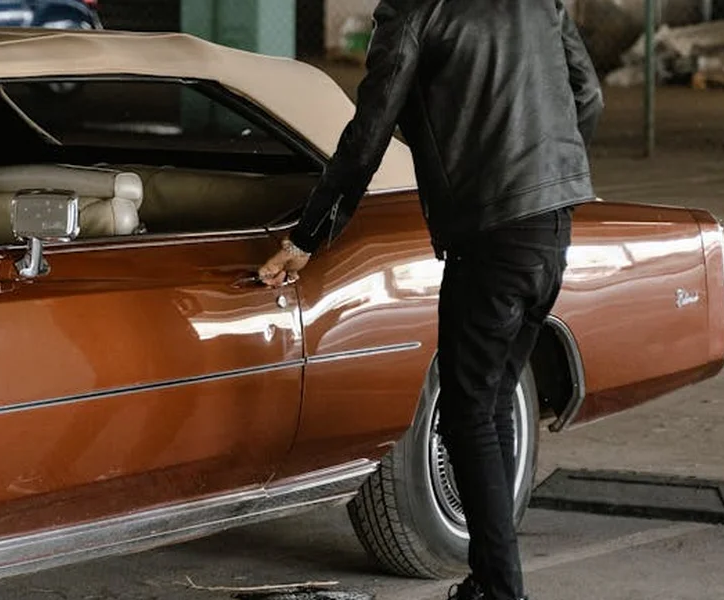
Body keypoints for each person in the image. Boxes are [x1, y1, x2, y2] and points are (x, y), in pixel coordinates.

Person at [257, 1, 602, 599]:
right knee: (490, 402)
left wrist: (308, 236)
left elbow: (368, 135)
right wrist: (551, 178)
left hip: (488, 235)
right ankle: (489, 583)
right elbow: (588, 94)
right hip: (551, 227)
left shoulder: (414, 12)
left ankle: (500, 589)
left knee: (468, 412)